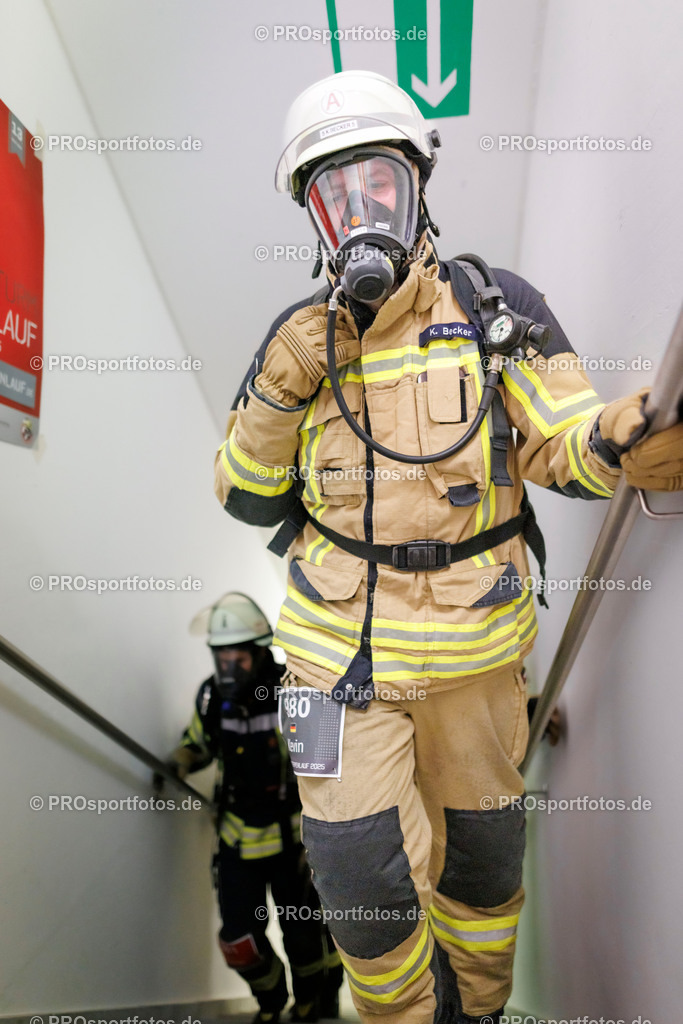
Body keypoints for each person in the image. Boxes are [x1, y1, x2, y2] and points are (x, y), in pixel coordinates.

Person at [213, 70, 683, 1024]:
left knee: (478, 867)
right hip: (333, 661)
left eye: (375, 184)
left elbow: (565, 448)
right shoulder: (297, 343)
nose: (356, 210)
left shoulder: (494, 307)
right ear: (311, 212)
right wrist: (280, 385)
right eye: (330, 192)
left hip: (475, 658)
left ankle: (476, 1012)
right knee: (355, 878)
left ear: (416, 182)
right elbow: (244, 496)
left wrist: (623, 439)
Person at [164, 592, 343, 1024]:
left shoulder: (291, 691)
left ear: (260, 653)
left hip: (293, 842)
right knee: (237, 939)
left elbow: (325, 768)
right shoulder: (211, 698)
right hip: (236, 840)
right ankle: (270, 1001)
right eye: (220, 658)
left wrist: (320, 840)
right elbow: (199, 743)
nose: (228, 669)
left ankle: (309, 1005)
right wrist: (183, 759)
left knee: (305, 939)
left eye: (238, 659)